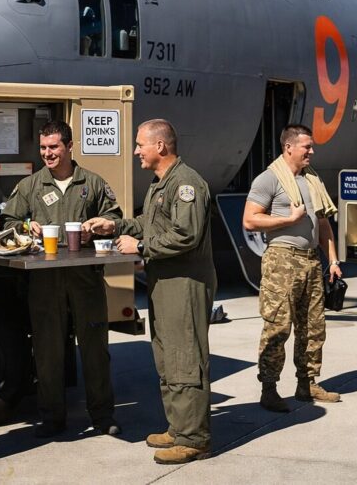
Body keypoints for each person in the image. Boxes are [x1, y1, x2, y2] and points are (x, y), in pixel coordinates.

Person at [83, 119, 216, 465]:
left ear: (160, 146)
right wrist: (115, 226)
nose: (136, 151)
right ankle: (179, 427)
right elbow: (149, 223)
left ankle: (194, 438)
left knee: (185, 357)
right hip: (165, 282)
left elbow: (186, 234)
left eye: (140, 144)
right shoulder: (161, 184)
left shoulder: (186, 184)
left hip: (184, 284)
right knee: (167, 355)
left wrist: (140, 247)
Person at [1, 121, 122, 438]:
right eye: (43, 148)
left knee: (95, 348)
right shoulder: (30, 186)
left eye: (53, 147)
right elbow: (8, 220)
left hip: (86, 278)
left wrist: (100, 225)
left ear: (69, 146)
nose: (47, 153)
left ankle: (102, 416)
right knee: (47, 350)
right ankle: (52, 418)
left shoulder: (92, 183)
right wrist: (26, 226)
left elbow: (115, 217)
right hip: (45, 280)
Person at [243, 124, 342, 413]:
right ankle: (269, 388)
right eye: (306, 147)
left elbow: (322, 223)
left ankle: (307, 383)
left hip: (311, 260)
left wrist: (333, 260)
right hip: (282, 260)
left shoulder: (311, 178)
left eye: (311, 147)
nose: (311, 151)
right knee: (278, 325)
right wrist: (288, 220)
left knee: (313, 326)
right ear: (289, 147)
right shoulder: (269, 179)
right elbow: (250, 220)